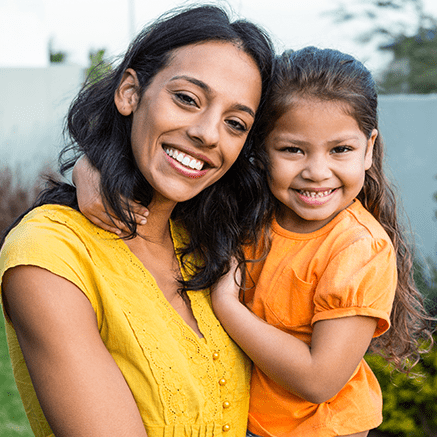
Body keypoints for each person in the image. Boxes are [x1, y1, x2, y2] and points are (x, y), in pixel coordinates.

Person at [73, 47, 433, 437]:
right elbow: (167, 180)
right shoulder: (251, 208)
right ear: (261, 150)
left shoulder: (358, 249)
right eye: (293, 149)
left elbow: (319, 380)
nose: (316, 172)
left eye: (340, 150)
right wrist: (89, 172)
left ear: (368, 148)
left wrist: (227, 307)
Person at [0, 5, 275, 437]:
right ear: (130, 92)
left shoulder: (213, 245)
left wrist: (90, 168)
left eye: (235, 123)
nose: (208, 133)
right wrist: (92, 168)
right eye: (187, 99)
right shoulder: (49, 256)